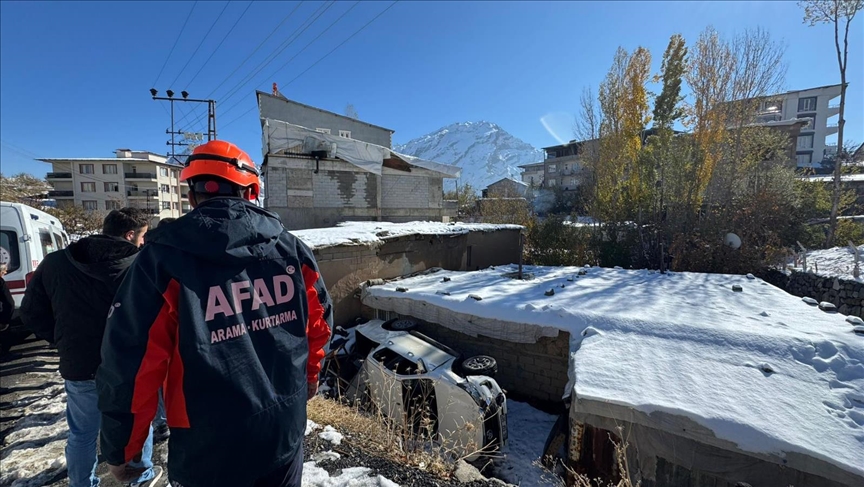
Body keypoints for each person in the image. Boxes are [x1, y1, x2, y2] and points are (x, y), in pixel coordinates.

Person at [97, 140, 333, 487]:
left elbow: (131, 363)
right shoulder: (292, 250)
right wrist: (310, 378)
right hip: (283, 433)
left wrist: (123, 449)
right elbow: (318, 324)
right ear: (252, 191)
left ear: (191, 197)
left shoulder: (162, 261)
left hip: (209, 450)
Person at [20, 208, 161, 487]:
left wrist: (62, 340)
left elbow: (31, 313)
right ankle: (140, 476)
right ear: (129, 234)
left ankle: (81, 483)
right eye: (142, 236)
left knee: (82, 433)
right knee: (137, 422)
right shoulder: (142, 263)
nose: (144, 242)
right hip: (128, 363)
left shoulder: (55, 262)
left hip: (79, 363)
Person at [0, 263, 14, 332]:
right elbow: (10, 303)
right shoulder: (1, 282)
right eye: (4, 271)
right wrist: (4, 321)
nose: (5, 273)